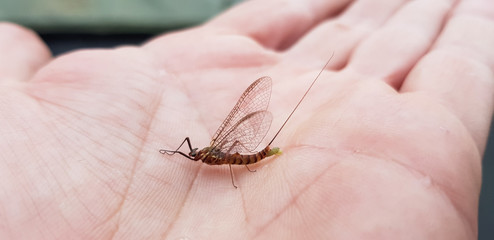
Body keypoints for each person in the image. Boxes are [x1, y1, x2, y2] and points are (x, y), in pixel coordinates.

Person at [0, 0, 491, 239]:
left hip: (249, 155)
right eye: (192, 154)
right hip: (236, 155)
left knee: (248, 160)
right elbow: (197, 155)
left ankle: (266, 155)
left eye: (194, 154)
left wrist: (242, 167)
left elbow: (230, 163)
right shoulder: (202, 155)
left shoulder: (223, 157)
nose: (193, 156)